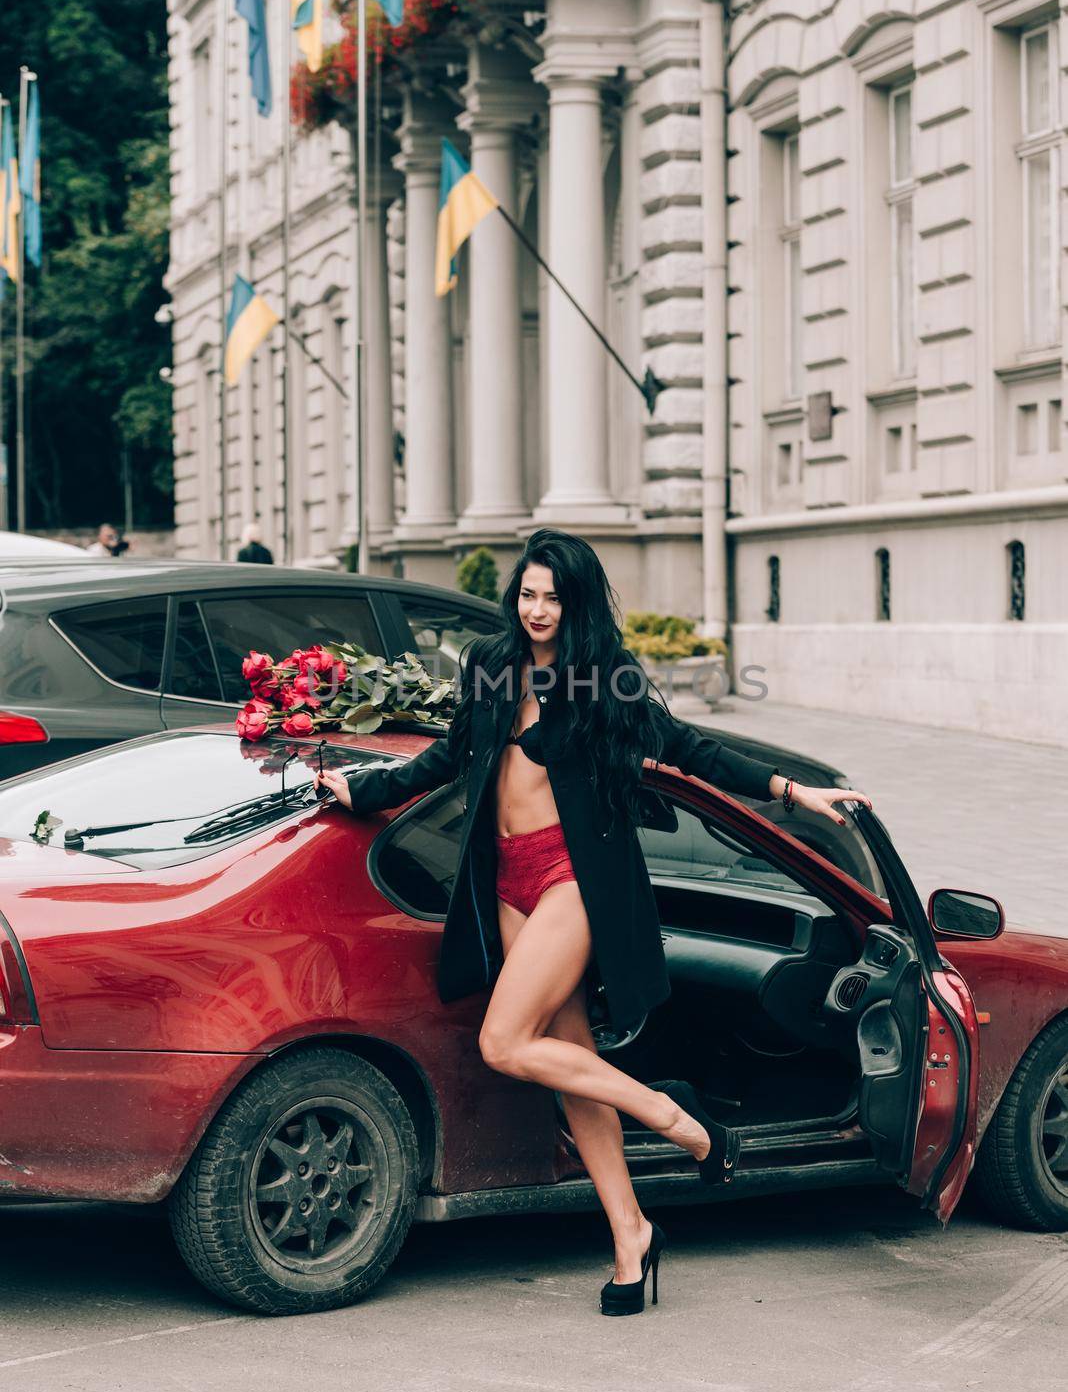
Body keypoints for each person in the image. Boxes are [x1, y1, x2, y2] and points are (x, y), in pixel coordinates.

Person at [313, 529, 872, 1315]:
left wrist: (790, 790)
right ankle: (631, 1235)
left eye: (552, 597)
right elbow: (449, 758)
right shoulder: (488, 663)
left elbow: (687, 749)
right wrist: (365, 789)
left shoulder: (605, 679)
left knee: (505, 1043)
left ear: (575, 603)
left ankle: (680, 1119)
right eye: (527, 594)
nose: (536, 609)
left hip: (572, 875)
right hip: (504, 878)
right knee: (569, 1061)